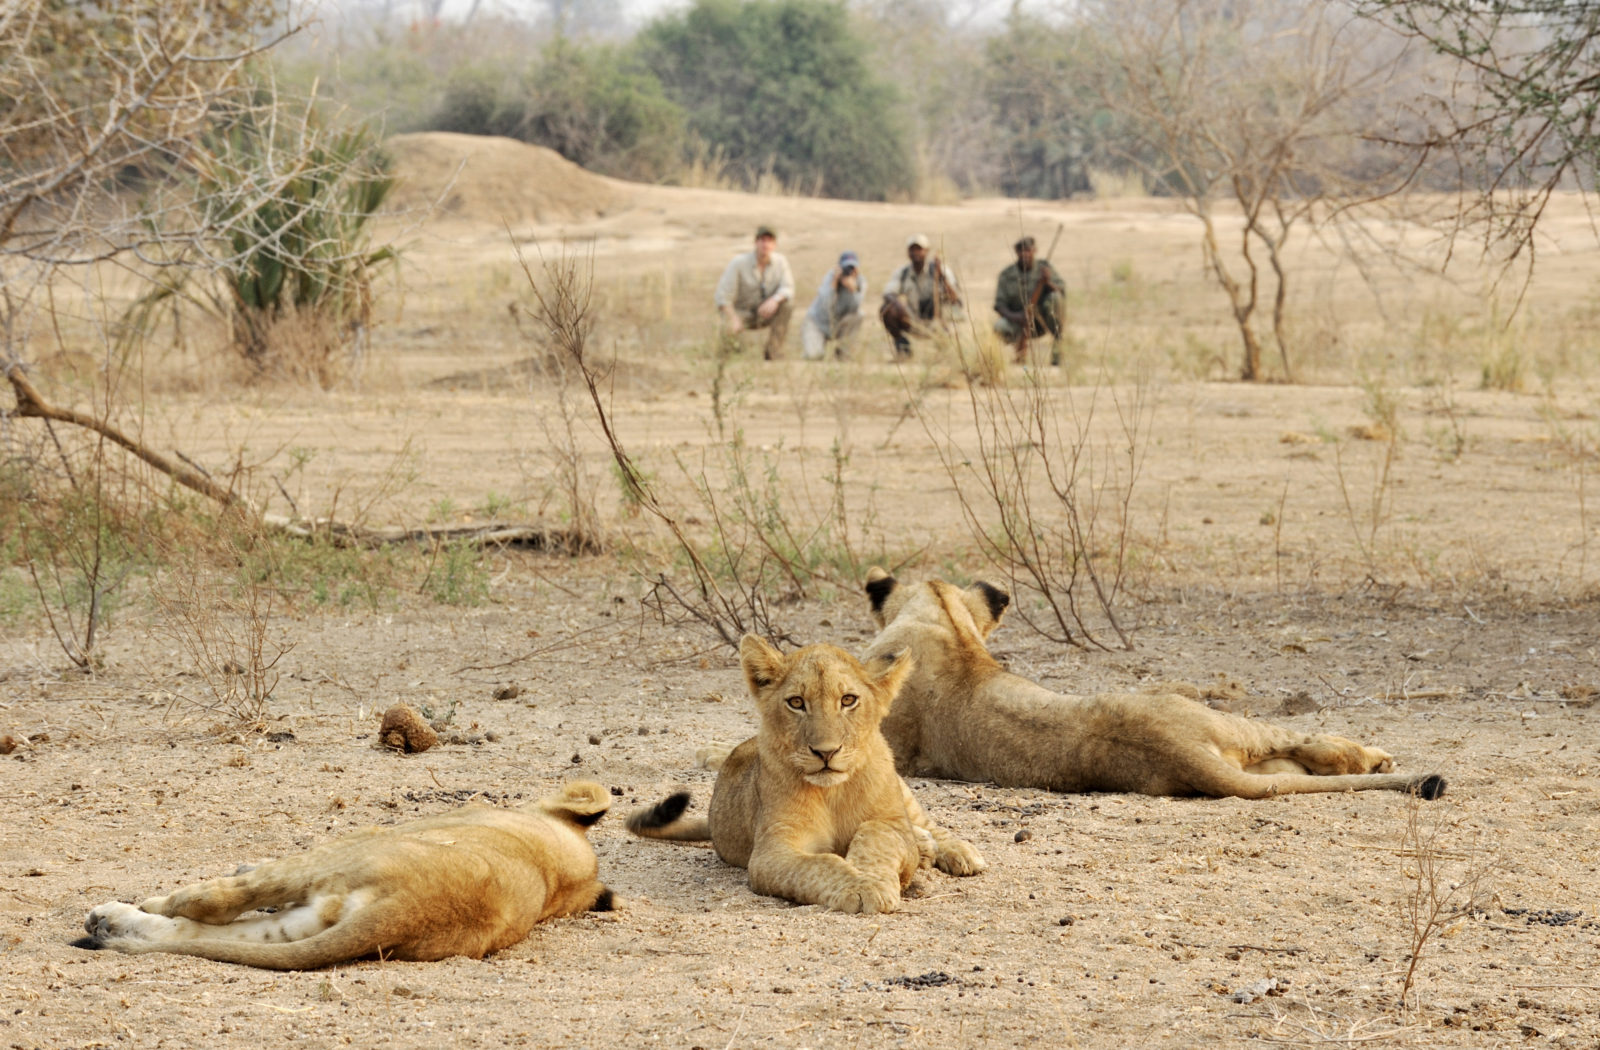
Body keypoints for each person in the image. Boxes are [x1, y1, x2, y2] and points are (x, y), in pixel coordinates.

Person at [714, 225, 795, 360]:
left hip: (766, 311)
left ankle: (773, 351)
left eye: (769, 241)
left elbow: (788, 288)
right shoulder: (738, 263)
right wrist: (733, 318)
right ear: (756, 242)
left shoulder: (781, 262)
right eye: (762, 240)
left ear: (774, 244)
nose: (766, 244)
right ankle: (729, 351)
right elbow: (722, 296)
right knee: (731, 349)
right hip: (742, 312)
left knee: (788, 305)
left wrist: (775, 299)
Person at [879, 234, 962, 359]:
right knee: (887, 309)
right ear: (908, 252)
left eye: (919, 249)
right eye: (912, 249)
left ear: (927, 251)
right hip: (914, 319)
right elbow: (888, 293)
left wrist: (941, 277)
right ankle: (903, 350)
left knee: (949, 318)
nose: (915, 253)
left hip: (939, 321)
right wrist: (898, 304)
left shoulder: (941, 270)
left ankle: (945, 353)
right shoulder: (903, 273)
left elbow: (955, 300)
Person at [993, 235, 1066, 365]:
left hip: (1042, 321)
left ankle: (1057, 355)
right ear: (1016, 253)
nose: (1025, 254)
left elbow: (1061, 291)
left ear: (1034, 251)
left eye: (1028, 250)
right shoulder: (1006, 274)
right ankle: (1013, 355)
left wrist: (1047, 282)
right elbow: (999, 305)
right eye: (1021, 251)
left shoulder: (1045, 268)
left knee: (1055, 298)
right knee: (999, 327)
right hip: (1017, 321)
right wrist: (1018, 317)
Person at [801, 250, 868, 361]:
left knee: (859, 315)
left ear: (857, 270)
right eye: (846, 268)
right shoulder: (830, 278)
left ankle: (842, 353)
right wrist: (834, 284)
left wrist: (853, 290)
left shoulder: (860, 281)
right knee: (814, 356)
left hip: (839, 324)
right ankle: (813, 349)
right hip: (818, 323)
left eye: (851, 268)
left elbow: (856, 307)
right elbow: (825, 306)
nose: (848, 272)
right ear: (839, 268)